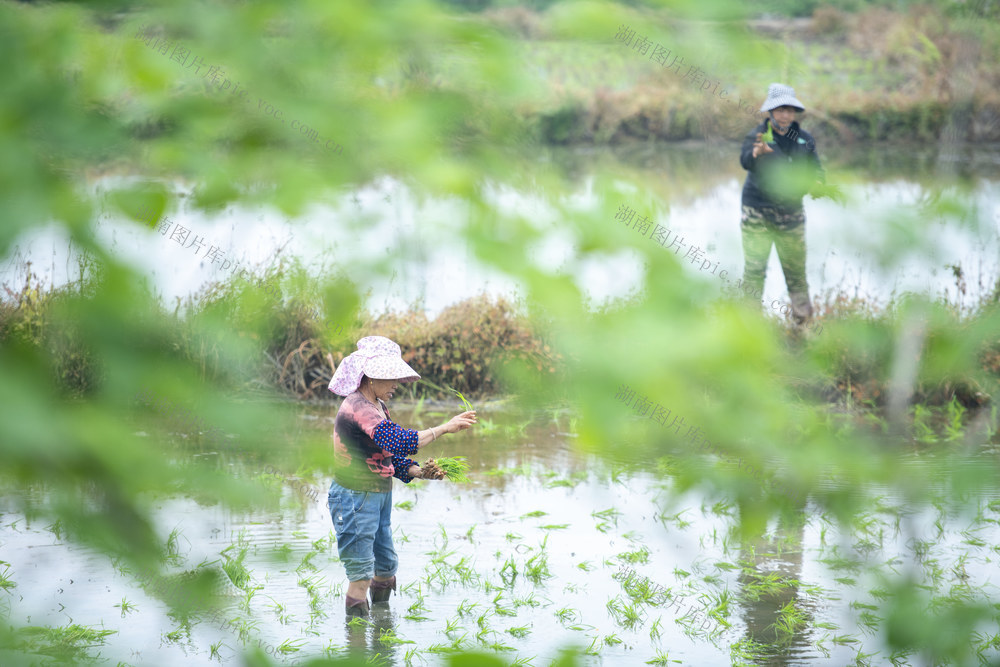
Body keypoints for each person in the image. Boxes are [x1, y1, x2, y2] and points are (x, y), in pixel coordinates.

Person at [326, 335, 477, 616]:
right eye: (392, 377)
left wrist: (420, 472)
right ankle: (356, 646)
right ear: (371, 377)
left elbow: (387, 455)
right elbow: (399, 441)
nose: (397, 384)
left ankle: (383, 632)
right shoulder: (358, 407)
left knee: (385, 569)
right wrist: (444, 428)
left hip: (378, 496)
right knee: (360, 576)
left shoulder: (378, 406)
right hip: (355, 498)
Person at [738, 83, 826, 328]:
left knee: (795, 271)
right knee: (755, 269)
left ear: (795, 113)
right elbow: (745, 161)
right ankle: (749, 326)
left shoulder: (804, 140)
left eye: (790, 110)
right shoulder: (757, 136)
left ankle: (803, 324)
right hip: (757, 210)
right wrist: (756, 154)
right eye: (780, 110)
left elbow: (815, 170)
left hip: (791, 212)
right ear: (770, 112)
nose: (785, 115)